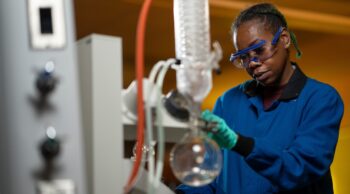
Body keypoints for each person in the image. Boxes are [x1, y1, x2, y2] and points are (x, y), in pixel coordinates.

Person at [176, 3, 344, 194]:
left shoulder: (321, 99)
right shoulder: (228, 102)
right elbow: (207, 176)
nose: (252, 63)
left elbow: (300, 169)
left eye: (259, 50)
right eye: (244, 57)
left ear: (284, 39)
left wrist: (240, 143)